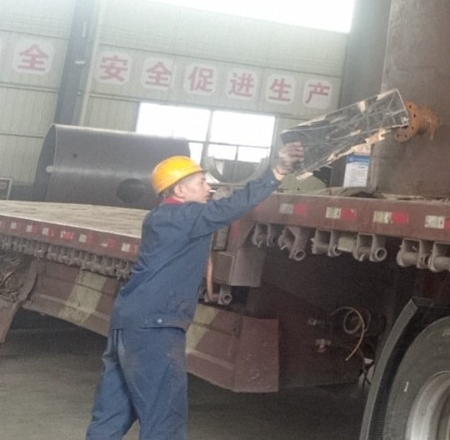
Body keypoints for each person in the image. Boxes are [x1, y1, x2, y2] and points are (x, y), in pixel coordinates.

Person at [85, 141, 304, 440]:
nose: (209, 188)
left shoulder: (160, 217)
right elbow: (231, 208)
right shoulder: (184, 217)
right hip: (156, 326)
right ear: (179, 190)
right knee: (164, 418)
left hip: (128, 323)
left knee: (111, 413)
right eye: (201, 182)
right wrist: (276, 171)